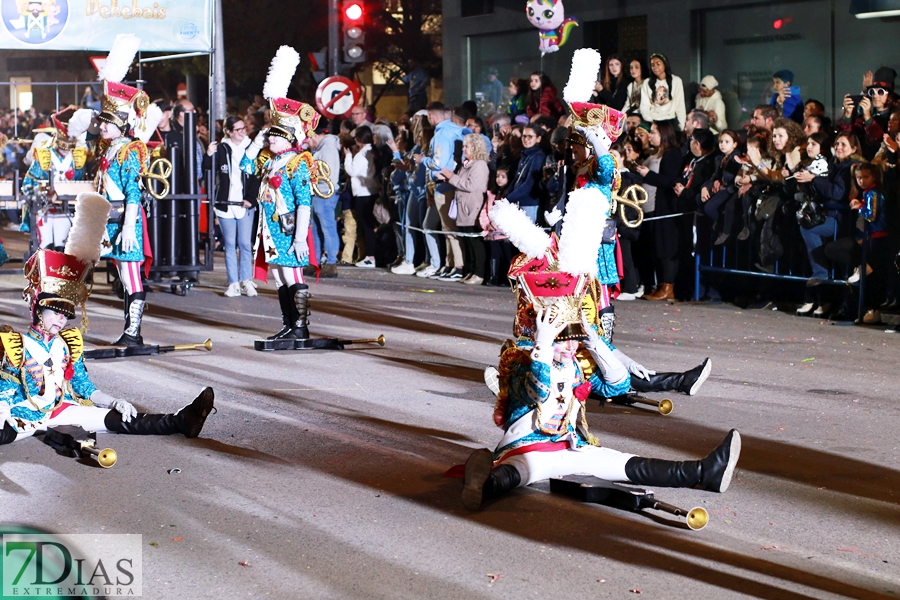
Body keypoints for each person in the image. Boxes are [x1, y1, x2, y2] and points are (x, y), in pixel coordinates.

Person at [466, 196, 736, 511]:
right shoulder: (520, 356)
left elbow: (618, 385)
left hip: (570, 446)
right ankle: (484, 484)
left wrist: (592, 340)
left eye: (573, 340)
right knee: (521, 470)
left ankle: (704, 472)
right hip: (529, 448)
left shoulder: (574, 359)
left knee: (618, 461)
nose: (570, 347)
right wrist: (542, 345)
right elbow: (537, 393)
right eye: (563, 340)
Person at [0, 195, 215, 448]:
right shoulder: (16, 344)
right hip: (25, 416)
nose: (61, 319)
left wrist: (114, 401)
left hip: (64, 411)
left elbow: (83, 385)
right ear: (38, 311)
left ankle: (182, 420)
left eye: (65, 314)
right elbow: (6, 389)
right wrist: (3, 411)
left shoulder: (68, 344)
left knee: (122, 418)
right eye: (55, 312)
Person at [241, 46, 321, 340]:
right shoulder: (270, 159)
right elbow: (245, 165)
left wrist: (301, 237)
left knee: (292, 275)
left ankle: (300, 328)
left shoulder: (299, 162)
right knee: (278, 277)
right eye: (270, 136)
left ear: (288, 138)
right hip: (270, 230)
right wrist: (257, 139)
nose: (270, 140)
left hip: (288, 230)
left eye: (274, 136)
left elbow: (304, 203)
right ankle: (289, 324)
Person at [94, 34, 163, 346]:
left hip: (127, 221)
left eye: (107, 122)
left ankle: (133, 333)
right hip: (112, 221)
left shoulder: (129, 150)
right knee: (123, 276)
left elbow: (134, 191)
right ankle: (129, 332)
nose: (101, 126)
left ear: (122, 123)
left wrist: (130, 226)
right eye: (101, 121)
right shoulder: (109, 149)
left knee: (131, 276)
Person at [20, 106, 93, 250]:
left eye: (69, 147)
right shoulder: (44, 156)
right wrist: (42, 193)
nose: (66, 151)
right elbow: (27, 183)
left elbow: (83, 184)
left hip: (66, 210)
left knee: (63, 246)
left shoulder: (77, 159)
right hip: (45, 209)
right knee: (44, 245)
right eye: (63, 146)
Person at [204, 116, 259, 297]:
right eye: (238, 129)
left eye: (243, 128)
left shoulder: (251, 148)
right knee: (229, 244)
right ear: (228, 132)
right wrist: (209, 154)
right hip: (225, 203)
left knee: (244, 243)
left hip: (244, 203)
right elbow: (207, 170)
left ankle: (246, 280)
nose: (242, 132)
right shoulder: (221, 148)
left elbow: (255, 175)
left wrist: (250, 198)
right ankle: (233, 283)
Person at [635, 121, 683, 300]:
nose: (651, 135)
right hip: (653, 207)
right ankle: (661, 285)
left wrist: (649, 175)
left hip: (665, 208)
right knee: (657, 248)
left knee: (667, 248)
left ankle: (668, 287)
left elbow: (668, 182)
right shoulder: (658, 153)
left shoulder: (672, 155)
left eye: (654, 132)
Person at [422, 102, 468, 280]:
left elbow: (438, 163)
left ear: (431, 116)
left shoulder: (441, 134)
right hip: (454, 183)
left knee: (449, 228)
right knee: (447, 228)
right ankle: (450, 264)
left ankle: (457, 265)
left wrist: (424, 160)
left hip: (444, 184)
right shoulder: (457, 130)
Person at [439, 133, 489, 284]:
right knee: (467, 242)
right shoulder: (467, 164)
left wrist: (452, 176)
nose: (464, 149)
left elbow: (471, 185)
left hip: (472, 208)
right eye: (464, 146)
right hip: (463, 208)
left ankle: (479, 274)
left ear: (476, 147)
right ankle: (471, 271)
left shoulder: (479, 165)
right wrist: (448, 179)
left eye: (467, 146)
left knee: (475, 242)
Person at [306, 120, 341, 278]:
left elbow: (327, 173)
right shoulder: (322, 147)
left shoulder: (328, 148)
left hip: (324, 193)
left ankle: (331, 262)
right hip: (317, 192)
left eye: (308, 138)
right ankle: (315, 262)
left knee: (327, 229)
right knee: (316, 230)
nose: (307, 142)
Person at [343, 126, 380, 268]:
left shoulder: (363, 153)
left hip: (364, 193)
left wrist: (348, 156)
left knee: (367, 226)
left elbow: (352, 171)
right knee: (369, 225)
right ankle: (370, 255)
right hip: (371, 191)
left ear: (358, 139)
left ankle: (370, 257)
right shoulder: (372, 151)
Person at [504, 124, 547, 224]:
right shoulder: (525, 155)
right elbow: (517, 179)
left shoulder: (538, 156)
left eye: (530, 136)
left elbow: (529, 184)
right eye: (524, 136)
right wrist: (507, 194)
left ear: (538, 139)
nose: (526, 139)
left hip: (529, 203)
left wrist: (509, 198)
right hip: (519, 201)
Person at [640, 54, 686, 131]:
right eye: (652, 65)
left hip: (670, 120)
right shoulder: (647, 82)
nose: (655, 67)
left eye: (658, 64)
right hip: (654, 121)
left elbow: (680, 105)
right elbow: (644, 106)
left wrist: (681, 126)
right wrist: (651, 121)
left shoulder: (676, 81)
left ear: (665, 64)